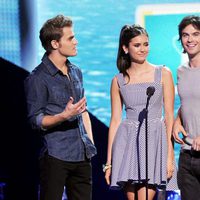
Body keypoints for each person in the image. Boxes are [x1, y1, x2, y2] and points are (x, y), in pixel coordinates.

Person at [24, 15, 97, 200]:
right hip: (56, 156)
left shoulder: (76, 71)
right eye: (70, 38)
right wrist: (64, 116)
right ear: (55, 44)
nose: (76, 41)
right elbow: (36, 120)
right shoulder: (37, 78)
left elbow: (83, 111)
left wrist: (90, 142)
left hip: (82, 154)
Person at [104, 24, 178, 200]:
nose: (143, 49)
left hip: (154, 142)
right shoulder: (118, 80)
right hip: (127, 143)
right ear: (125, 48)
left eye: (146, 44)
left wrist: (170, 157)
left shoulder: (163, 73)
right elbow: (115, 121)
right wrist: (109, 164)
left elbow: (168, 116)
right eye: (137, 45)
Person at [172, 15, 200, 200]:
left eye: (196, 34)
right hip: (187, 155)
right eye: (185, 35)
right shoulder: (181, 71)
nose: (190, 40)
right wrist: (177, 119)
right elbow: (188, 102)